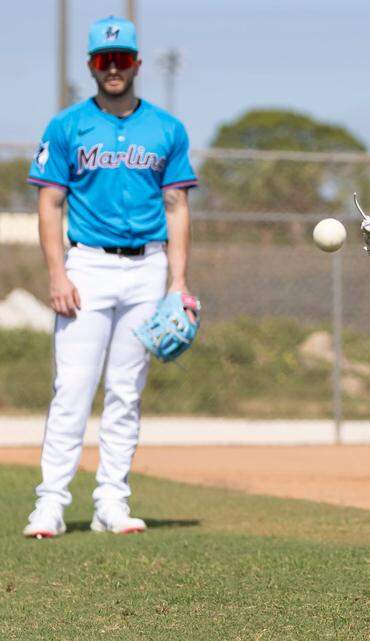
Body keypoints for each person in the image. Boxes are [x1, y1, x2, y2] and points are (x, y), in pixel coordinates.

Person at [23, 16, 197, 538]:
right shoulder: (68, 126)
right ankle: (50, 504)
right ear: (91, 66)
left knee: (127, 390)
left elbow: (177, 205)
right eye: (104, 59)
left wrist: (177, 281)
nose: (114, 67)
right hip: (88, 265)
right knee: (72, 388)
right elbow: (49, 202)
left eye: (122, 59)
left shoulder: (166, 128)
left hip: (148, 268)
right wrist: (57, 273)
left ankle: (111, 503)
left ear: (137, 64)